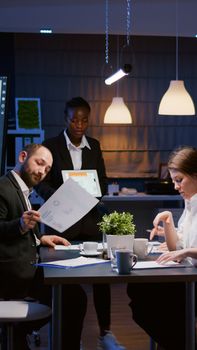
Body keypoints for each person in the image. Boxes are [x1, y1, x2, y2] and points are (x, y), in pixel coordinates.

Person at [36, 96, 126, 350]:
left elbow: (103, 182)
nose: (78, 124)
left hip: (90, 224)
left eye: (84, 119)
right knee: (64, 285)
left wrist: (90, 194)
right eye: (74, 119)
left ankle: (105, 334)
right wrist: (62, 195)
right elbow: (41, 183)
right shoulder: (50, 146)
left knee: (101, 279)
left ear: (89, 120)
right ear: (65, 118)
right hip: (61, 226)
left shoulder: (94, 146)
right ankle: (64, 337)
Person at [0, 143, 87, 350]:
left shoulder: (21, 190)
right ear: (23, 156)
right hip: (11, 277)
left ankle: (19, 333)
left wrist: (41, 238)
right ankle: (18, 332)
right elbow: (12, 225)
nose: (42, 172)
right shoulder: (3, 188)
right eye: (39, 163)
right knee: (73, 298)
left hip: (25, 270)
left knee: (73, 296)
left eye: (47, 169)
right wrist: (20, 226)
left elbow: (21, 225)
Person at [127, 146, 197, 350]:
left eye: (179, 180)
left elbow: (182, 250)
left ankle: (179, 342)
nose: (175, 186)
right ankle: (178, 342)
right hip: (188, 275)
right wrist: (168, 221)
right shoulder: (190, 203)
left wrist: (185, 252)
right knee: (138, 290)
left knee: (147, 300)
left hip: (193, 280)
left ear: (195, 175)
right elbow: (177, 246)